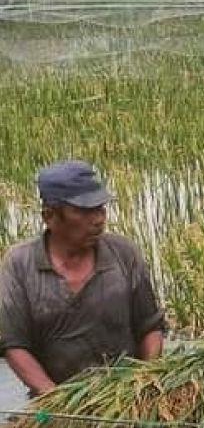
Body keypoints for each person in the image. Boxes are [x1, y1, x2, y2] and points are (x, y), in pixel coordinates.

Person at [0, 160, 165, 395]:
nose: (98, 219)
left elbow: (150, 327)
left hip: (125, 397)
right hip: (59, 403)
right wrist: (55, 399)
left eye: (101, 208)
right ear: (49, 216)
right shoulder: (19, 264)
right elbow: (14, 344)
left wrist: (145, 383)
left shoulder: (124, 253)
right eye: (84, 211)